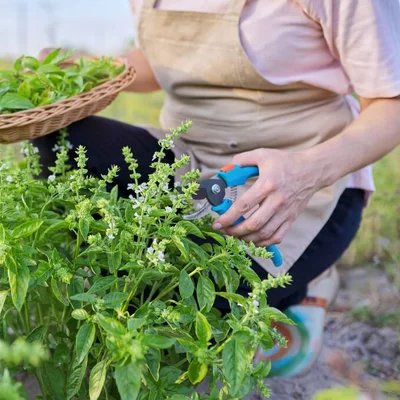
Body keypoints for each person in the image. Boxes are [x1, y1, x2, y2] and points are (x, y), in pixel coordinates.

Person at [33, 0, 400, 377]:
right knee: (62, 143)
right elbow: (166, 59)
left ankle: (304, 285)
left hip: (295, 178)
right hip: (184, 159)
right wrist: (91, 69)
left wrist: (306, 173)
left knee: (195, 309)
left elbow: (390, 103)